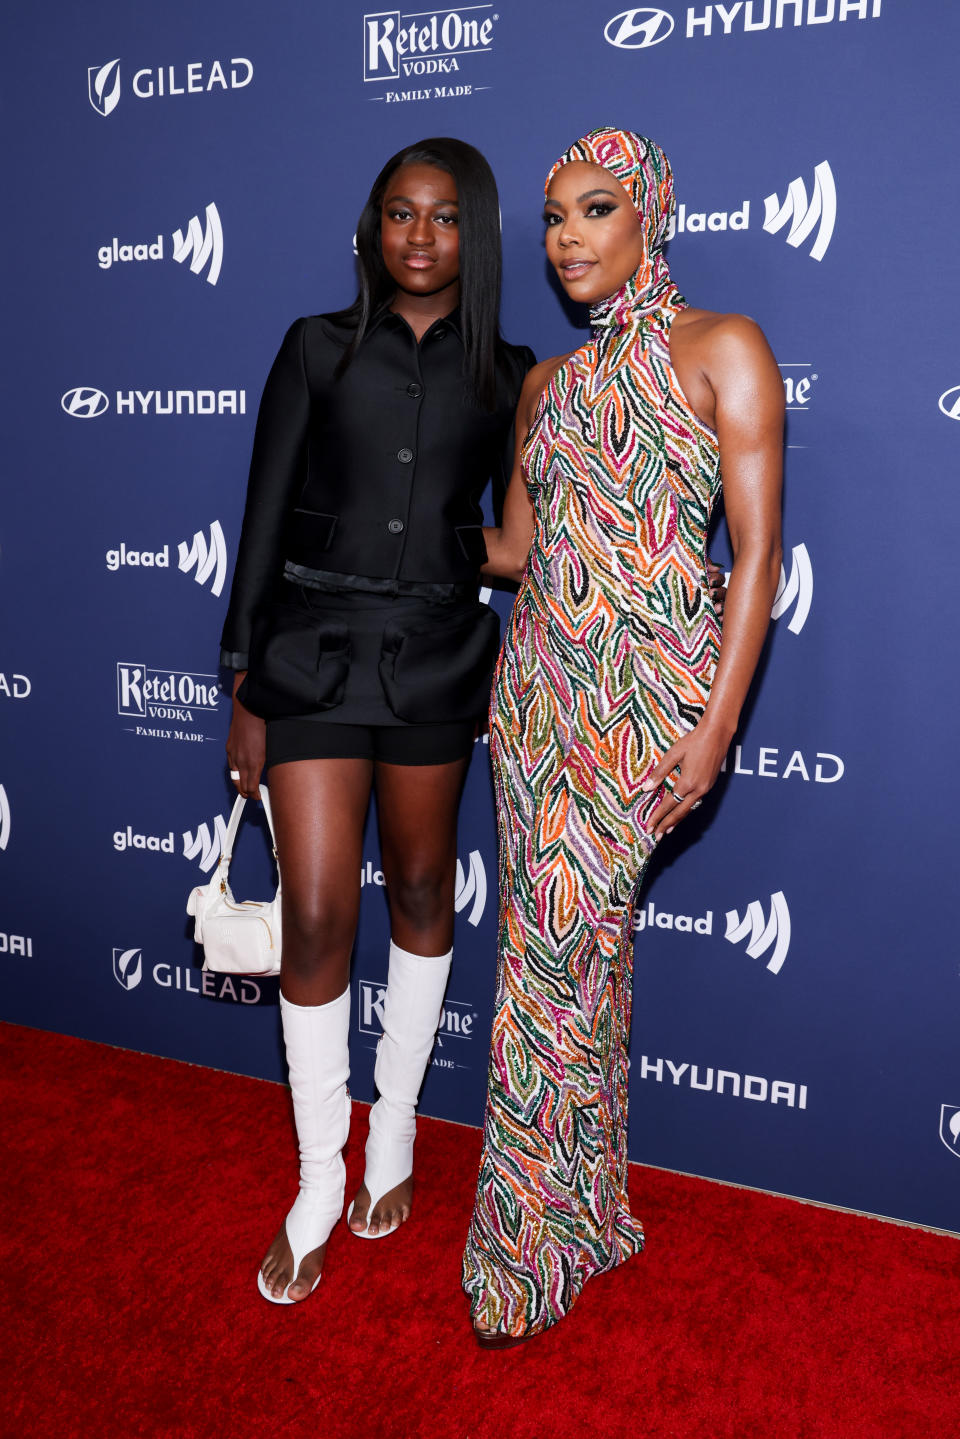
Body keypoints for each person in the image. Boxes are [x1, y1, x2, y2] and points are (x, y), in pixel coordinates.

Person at [462, 128, 784, 1346]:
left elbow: (754, 557)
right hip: (537, 699)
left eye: (595, 210)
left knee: (550, 968)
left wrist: (717, 727)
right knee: (575, 965)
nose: (567, 237)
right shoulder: (545, 385)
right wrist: (395, 524)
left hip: (647, 711)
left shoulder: (725, 349)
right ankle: (585, 1214)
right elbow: (512, 553)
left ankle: (520, 1253)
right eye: (552, 218)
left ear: (651, 215)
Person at [220, 137, 537, 1303]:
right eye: (400, 213)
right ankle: (316, 1175)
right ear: (371, 227)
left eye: (445, 217)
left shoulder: (511, 373)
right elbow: (257, 519)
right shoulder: (315, 347)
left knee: (415, 888)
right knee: (312, 908)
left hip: (440, 656)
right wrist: (243, 681)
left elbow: (518, 537)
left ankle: (393, 1126)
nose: (419, 235)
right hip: (308, 654)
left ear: (477, 234)